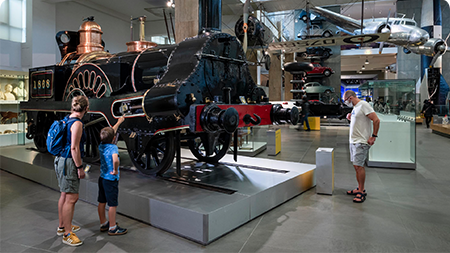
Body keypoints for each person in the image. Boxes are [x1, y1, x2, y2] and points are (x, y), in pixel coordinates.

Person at [54, 95, 88, 246]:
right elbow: (74, 148)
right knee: (72, 198)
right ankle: (67, 234)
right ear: (86, 109)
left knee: (64, 194)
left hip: (60, 159)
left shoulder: (67, 118)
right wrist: (80, 167)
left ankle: (63, 226)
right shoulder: (77, 124)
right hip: (69, 162)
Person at [343, 91, 380, 203]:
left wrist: (373, 136)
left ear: (350, 98)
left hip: (361, 141)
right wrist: (351, 117)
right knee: (356, 166)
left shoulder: (363, 105)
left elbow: (376, 120)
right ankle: (359, 188)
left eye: (345, 101)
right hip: (353, 141)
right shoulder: (356, 107)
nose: (346, 103)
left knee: (359, 166)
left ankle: (361, 191)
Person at [97, 115, 128, 236]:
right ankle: (113, 227)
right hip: (111, 179)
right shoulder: (113, 147)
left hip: (102, 178)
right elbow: (115, 160)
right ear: (114, 138)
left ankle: (103, 223)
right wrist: (115, 170)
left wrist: (119, 122)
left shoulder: (101, 145)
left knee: (101, 201)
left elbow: (111, 132)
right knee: (112, 204)